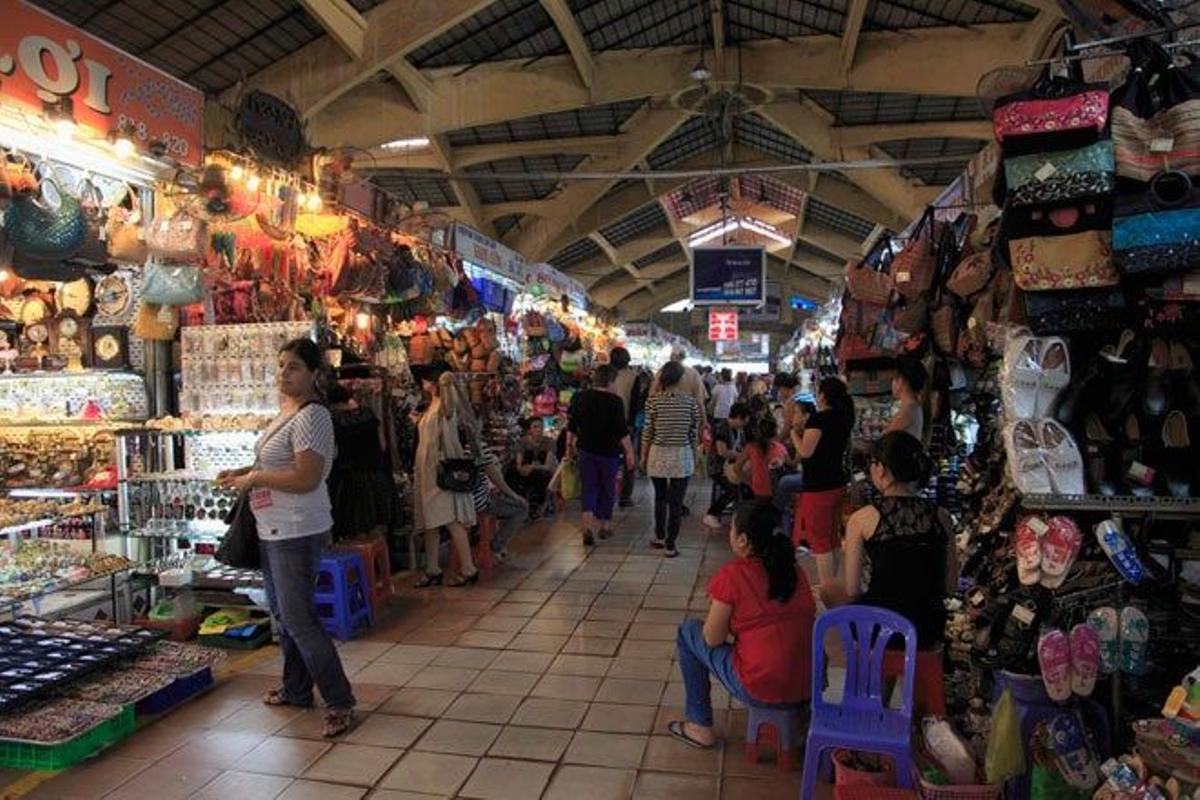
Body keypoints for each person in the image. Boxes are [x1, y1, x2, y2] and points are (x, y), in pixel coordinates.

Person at [216, 338, 355, 738]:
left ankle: (339, 701)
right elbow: (275, 462)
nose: (283, 374)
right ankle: (297, 688)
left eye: (293, 367)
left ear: (314, 374)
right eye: (280, 366)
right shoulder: (287, 412)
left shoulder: (313, 416)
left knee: (299, 619)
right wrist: (243, 472)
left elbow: (307, 477)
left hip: (297, 527)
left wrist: (254, 478)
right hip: (272, 526)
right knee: (285, 615)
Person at [820, 431, 957, 715]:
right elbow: (950, 586)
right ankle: (919, 719)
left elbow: (854, 589)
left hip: (881, 628)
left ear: (881, 469)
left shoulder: (862, 519)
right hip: (927, 628)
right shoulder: (942, 517)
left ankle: (873, 704)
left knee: (832, 593)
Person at [669, 500, 815, 749]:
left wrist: (719, 607)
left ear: (743, 540)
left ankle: (699, 724)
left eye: (732, 528)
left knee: (688, 632)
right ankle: (800, 719)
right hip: (807, 685)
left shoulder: (734, 575)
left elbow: (711, 639)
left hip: (762, 687)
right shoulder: (796, 573)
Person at [411, 369, 478, 588]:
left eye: (425, 380)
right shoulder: (432, 406)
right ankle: (432, 568)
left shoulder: (444, 407)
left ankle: (468, 568)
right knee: (431, 522)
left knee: (449, 519)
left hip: (438, 472)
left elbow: (446, 419)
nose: (423, 384)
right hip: (427, 472)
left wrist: (447, 381)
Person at [791, 376, 855, 586]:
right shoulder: (844, 418)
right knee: (833, 537)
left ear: (824, 396)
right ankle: (835, 585)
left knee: (819, 541)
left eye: (819, 392)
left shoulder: (819, 419)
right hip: (837, 483)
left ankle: (827, 590)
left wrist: (794, 434)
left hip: (818, 487)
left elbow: (806, 452)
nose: (817, 397)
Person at [567, 364, 635, 546]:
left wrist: (568, 447)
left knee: (588, 488)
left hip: (585, 450)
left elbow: (572, 426)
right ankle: (604, 527)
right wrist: (629, 452)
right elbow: (622, 431)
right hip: (609, 453)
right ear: (611, 381)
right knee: (608, 488)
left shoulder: (580, 397)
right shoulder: (615, 401)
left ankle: (587, 527)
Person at [641, 361, 701, 557]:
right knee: (676, 503)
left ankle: (659, 536)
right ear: (681, 378)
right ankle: (670, 545)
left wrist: (643, 455)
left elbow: (647, 431)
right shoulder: (690, 402)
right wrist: (695, 455)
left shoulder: (653, 401)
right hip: (681, 456)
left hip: (657, 454)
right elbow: (693, 433)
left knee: (660, 498)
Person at [325, 383, 395, 542]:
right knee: (376, 527)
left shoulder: (335, 420)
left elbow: (332, 452)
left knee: (353, 528)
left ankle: (360, 564)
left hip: (348, 478)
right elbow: (383, 444)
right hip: (375, 474)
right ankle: (379, 564)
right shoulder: (369, 414)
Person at [703, 402, 749, 528]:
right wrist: (742, 456)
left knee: (748, 483)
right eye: (744, 420)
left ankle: (741, 514)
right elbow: (722, 452)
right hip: (717, 467)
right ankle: (711, 514)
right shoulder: (722, 428)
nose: (746, 423)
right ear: (739, 417)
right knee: (732, 490)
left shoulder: (739, 431)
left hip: (732, 465)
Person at [608, 346, 640, 507]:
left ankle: (607, 492)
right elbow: (635, 403)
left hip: (605, 424)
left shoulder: (605, 374)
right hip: (626, 424)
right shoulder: (634, 376)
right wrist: (632, 424)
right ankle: (625, 496)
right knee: (629, 460)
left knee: (608, 458)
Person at [512, 417, 557, 516]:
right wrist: (522, 468)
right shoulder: (521, 442)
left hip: (541, 471)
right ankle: (519, 505)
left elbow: (548, 466)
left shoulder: (549, 442)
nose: (539, 429)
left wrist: (532, 467)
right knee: (511, 474)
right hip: (526, 471)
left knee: (543, 476)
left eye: (541, 427)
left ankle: (539, 505)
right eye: (535, 427)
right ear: (529, 430)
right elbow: (519, 464)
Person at [737, 415, 788, 501]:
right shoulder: (781, 448)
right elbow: (791, 463)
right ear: (775, 432)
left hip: (758, 490)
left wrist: (750, 483)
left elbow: (737, 468)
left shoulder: (750, 447)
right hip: (777, 490)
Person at [884, 357, 927, 443]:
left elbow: (881, 444)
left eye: (893, 379)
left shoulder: (907, 412)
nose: (892, 383)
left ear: (901, 381)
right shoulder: (913, 407)